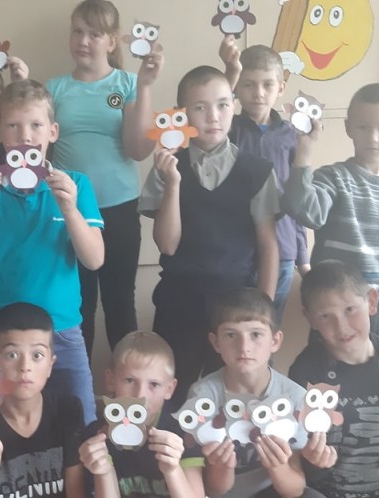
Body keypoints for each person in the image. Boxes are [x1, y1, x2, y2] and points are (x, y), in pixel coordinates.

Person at [0, 79, 105, 425]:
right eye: (13, 125)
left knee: (81, 420)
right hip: (1, 332)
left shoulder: (76, 184)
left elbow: (94, 259)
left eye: (36, 125)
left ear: (53, 132)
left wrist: (69, 208)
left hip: (61, 329)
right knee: (1, 424)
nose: (25, 135)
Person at [138, 65, 279, 398]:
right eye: (200, 108)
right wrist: (173, 183)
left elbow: (268, 245)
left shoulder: (256, 171)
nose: (213, 117)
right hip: (179, 302)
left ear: (233, 106)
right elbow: (167, 244)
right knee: (174, 393)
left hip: (236, 305)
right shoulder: (168, 167)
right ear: (182, 114)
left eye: (222, 105)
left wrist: (264, 312)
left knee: (235, 395)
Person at [47, 0, 158, 357]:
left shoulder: (128, 84)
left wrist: (145, 87)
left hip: (119, 209)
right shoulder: (55, 88)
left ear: (112, 41)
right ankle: (78, 384)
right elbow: (36, 149)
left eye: (94, 34)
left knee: (119, 302)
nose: (83, 40)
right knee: (76, 304)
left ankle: (129, 386)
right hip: (70, 212)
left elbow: (138, 150)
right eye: (77, 31)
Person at [280, 83, 379, 351]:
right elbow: (303, 210)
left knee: (373, 376)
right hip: (331, 305)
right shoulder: (333, 178)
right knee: (324, 375)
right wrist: (304, 152)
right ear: (348, 128)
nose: (373, 137)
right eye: (363, 127)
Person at [291, 260, 379, 497]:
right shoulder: (305, 371)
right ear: (310, 319)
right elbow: (303, 459)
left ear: (371, 301)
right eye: (325, 316)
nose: (341, 327)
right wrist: (314, 462)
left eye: (350, 310)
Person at [190, 288, 311, 497]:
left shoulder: (294, 397)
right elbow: (213, 490)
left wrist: (278, 467)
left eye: (256, 334)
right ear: (216, 342)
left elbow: (295, 489)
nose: (244, 347)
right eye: (231, 335)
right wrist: (222, 466)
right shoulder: (203, 396)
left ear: (275, 341)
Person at [0, 302, 86, 498]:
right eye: (12, 355)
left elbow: (77, 493)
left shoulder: (68, 409)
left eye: (37, 355)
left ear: (50, 365)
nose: (25, 366)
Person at [220, 38, 310, 315]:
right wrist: (229, 72)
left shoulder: (292, 136)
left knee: (268, 325)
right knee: (234, 322)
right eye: (248, 84)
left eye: (267, 85)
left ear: (281, 88)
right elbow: (217, 107)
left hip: (283, 250)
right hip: (237, 250)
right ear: (236, 88)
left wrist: (303, 257)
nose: (258, 93)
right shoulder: (227, 131)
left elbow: (296, 199)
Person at [78, 331, 205, 497]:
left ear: (169, 389)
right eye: (130, 381)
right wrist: (104, 472)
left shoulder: (185, 432)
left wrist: (173, 471)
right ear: (111, 380)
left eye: (154, 384)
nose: (140, 396)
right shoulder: (99, 435)